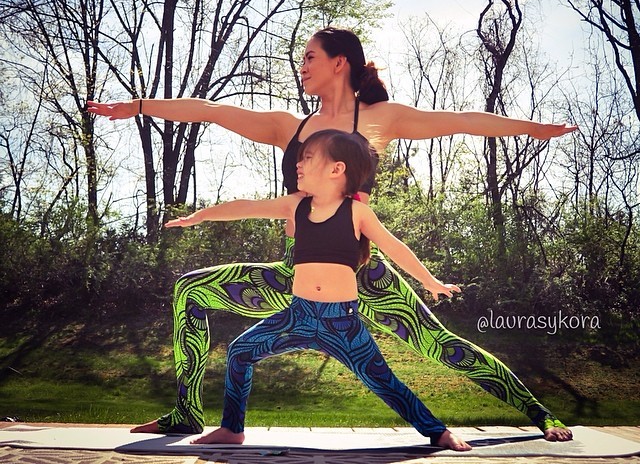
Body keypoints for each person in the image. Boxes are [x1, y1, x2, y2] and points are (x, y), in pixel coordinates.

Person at [87, 26, 575, 442]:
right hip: (294, 273)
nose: (301, 66)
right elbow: (210, 110)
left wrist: (532, 129)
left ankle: (540, 414)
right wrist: (138, 107)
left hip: (362, 274)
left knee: (440, 345)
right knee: (190, 289)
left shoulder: (381, 118)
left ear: (340, 63)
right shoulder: (290, 126)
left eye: (310, 57)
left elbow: (465, 122)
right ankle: (187, 414)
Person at [163, 129, 470, 450]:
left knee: (383, 380)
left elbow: (395, 247)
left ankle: (438, 431)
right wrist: (199, 217)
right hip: (299, 315)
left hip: (342, 323)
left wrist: (430, 281)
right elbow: (246, 206)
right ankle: (232, 428)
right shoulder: (296, 206)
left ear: (337, 170)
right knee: (240, 352)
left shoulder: (356, 212)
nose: (298, 163)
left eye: (308, 157)